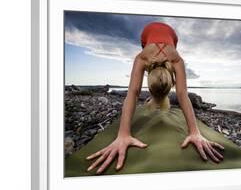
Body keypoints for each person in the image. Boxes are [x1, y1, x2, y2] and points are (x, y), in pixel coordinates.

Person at [86, 22, 224, 175]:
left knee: (157, 82)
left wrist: (195, 132)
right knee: (161, 82)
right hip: (148, 35)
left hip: (171, 37)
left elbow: (133, 92)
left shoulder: (154, 58)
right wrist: (123, 134)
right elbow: (182, 93)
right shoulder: (160, 58)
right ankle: (158, 95)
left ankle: (157, 95)